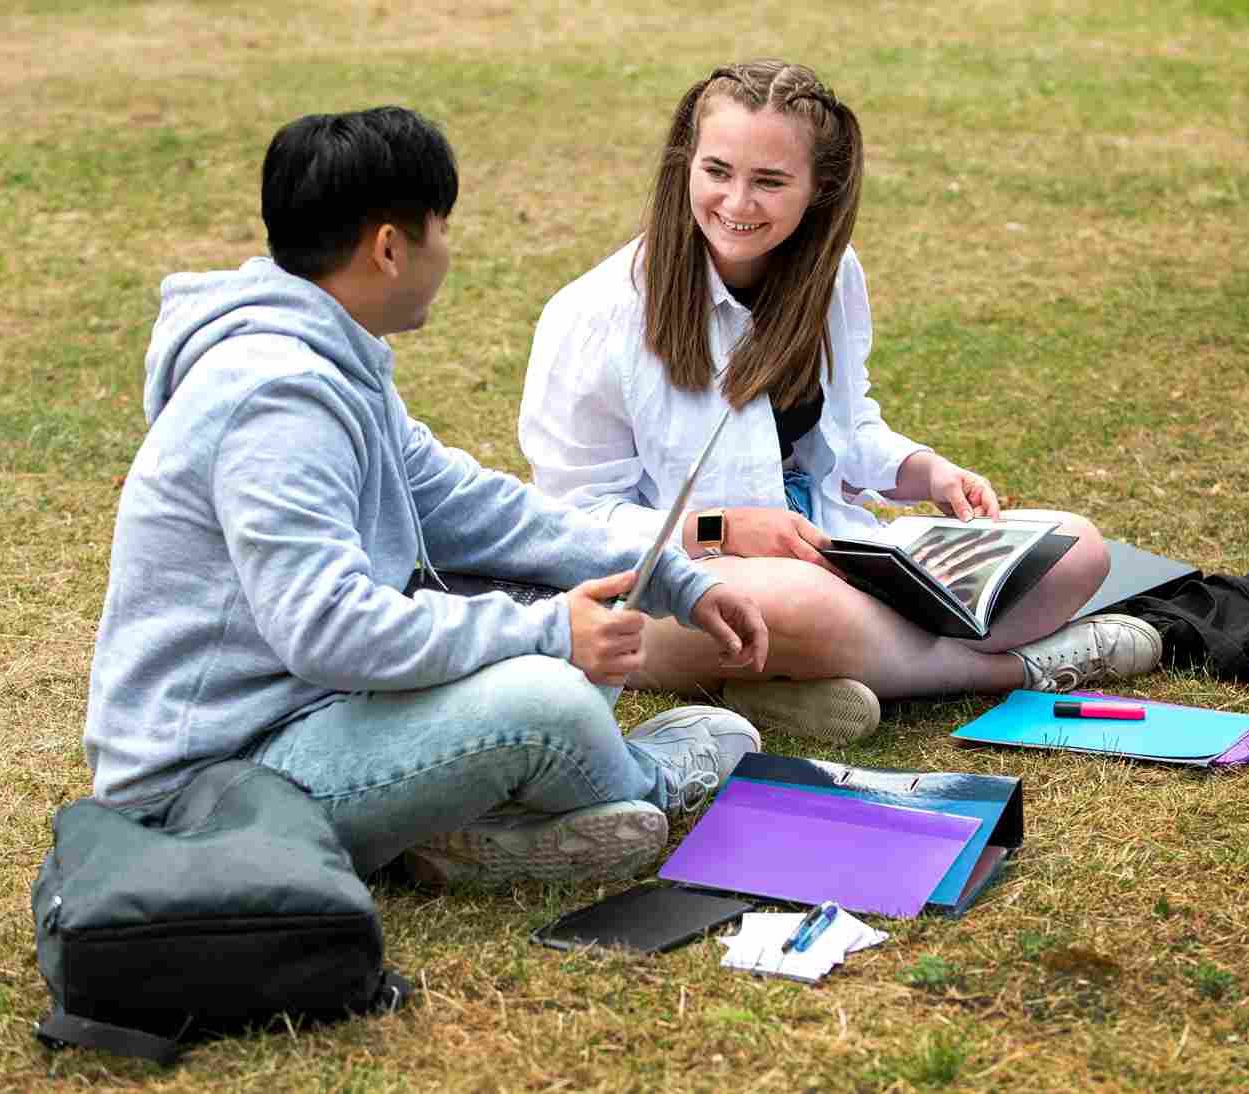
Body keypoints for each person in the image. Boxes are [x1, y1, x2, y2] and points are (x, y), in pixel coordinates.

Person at [84, 106, 772, 888]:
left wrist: (673, 576)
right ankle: (646, 781)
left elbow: (475, 507)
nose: (447, 251)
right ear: (388, 247)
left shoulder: (329, 361)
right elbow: (329, 629)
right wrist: (550, 634)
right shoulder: (277, 401)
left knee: (574, 594)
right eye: (440, 227)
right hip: (218, 779)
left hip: (308, 713)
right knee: (549, 700)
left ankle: (479, 833)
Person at [519, 60, 1161, 745]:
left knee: (1077, 550)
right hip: (685, 583)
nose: (737, 203)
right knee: (800, 605)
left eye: (769, 181)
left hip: (838, 550)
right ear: (685, 164)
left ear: (818, 190)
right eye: (717, 171)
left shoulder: (831, 274)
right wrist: (721, 530)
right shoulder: (594, 315)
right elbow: (574, 522)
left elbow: (851, 427)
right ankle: (1015, 670)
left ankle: (795, 680)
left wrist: (924, 471)